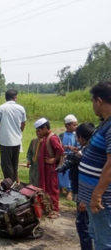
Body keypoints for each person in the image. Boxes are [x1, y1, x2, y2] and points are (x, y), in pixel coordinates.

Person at [78, 81, 111, 249]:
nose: (92, 105)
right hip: (93, 197)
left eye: (92, 101)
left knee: (104, 242)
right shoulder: (105, 123)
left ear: (99, 101)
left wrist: (97, 195)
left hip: (103, 199)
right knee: (97, 237)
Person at [61, 122, 94, 250]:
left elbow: (89, 177)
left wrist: (84, 199)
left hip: (85, 194)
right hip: (84, 193)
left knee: (83, 225)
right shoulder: (89, 150)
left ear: (80, 138)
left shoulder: (87, 154)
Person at [0, 89, 26, 182]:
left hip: (5, 141)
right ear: (15, 97)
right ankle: (14, 182)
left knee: (6, 164)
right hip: (17, 141)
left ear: (6, 97)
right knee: (15, 163)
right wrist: (19, 132)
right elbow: (23, 123)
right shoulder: (21, 108)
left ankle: (9, 184)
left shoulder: (1, 108)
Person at [34, 118, 64, 219]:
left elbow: (60, 150)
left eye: (39, 130)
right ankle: (48, 208)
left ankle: (55, 210)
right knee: (45, 188)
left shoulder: (52, 138)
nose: (38, 132)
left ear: (45, 128)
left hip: (50, 169)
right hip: (45, 169)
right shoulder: (46, 137)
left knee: (52, 188)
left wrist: (54, 160)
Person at [59, 114, 79, 200]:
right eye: (74, 125)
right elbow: (59, 146)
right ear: (67, 125)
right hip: (63, 157)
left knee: (69, 174)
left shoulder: (76, 136)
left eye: (76, 125)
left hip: (72, 158)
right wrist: (65, 148)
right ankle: (61, 188)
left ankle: (70, 191)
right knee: (60, 173)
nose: (76, 127)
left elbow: (78, 147)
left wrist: (74, 149)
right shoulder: (61, 135)